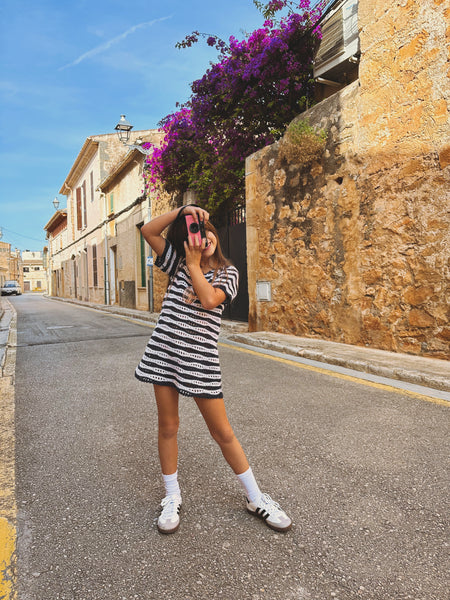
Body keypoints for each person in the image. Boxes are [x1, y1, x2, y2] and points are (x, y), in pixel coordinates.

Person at [135, 204, 291, 534]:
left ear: (215, 237)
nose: (203, 235)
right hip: (164, 354)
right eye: (196, 230)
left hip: (201, 361)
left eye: (208, 230)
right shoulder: (176, 263)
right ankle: (172, 496)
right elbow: (148, 231)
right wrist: (182, 210)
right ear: (188, 239)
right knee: (168, 426)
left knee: (222, 432)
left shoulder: (227, 274)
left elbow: (208, 300)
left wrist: (193, 264)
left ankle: (256, 497)